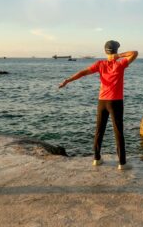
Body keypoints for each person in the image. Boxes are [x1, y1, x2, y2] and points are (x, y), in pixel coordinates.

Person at [58, 40, 138, 170]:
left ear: (105, 51)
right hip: (115, 102)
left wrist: (68, 80)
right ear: (116, 51)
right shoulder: (120, 64)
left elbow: (83, 72)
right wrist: (118, 56)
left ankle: (96, 159)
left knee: (99, 131)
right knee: (118, 132)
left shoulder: (100, 64)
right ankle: (122, 163)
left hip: (102, 102)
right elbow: (135, 53)